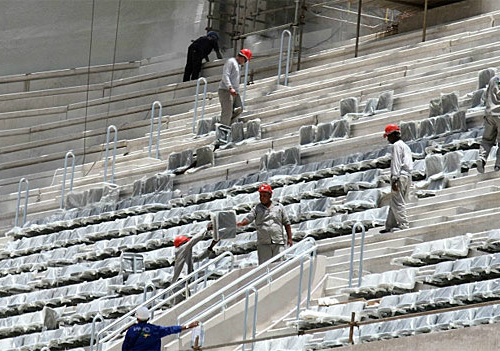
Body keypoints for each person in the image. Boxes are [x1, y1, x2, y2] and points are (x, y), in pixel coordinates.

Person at [237, 183, 293, 264]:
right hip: (264, 244)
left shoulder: (279, 207)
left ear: (270, 195)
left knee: (279, 266)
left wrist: (290, 238)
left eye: (264, 195)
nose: (262, 198)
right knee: (265, 267)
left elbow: (287, 223)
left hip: (278, 242)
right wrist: (241, 223)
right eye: (260, 195)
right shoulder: (256, 209)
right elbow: (249, 218)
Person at [379, 124, 413, 233]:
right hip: (407, 176)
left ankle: (403, 224)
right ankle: (390, 225)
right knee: (395, 201)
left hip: (400, 177)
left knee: (398, 202)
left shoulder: (396, 146)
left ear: (393, 135)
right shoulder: (405, 146)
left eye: (388, 136)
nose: (388, 139)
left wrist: (394, 179)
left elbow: (396, 163)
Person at [216, 48, 252, 144]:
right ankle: (222, 136)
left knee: (239, 108)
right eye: (245, 60)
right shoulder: (231, 62)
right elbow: (225, 75)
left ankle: (227, 126)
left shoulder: (238, 65)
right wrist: (230, 87)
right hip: (226, 90)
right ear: (242, 57)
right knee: (227, 112)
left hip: (234, 92)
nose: (244, 63)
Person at [122, 306, 199, 351]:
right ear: (148, 318)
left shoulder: (131, 331)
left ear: (137, 318)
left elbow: (124, 348)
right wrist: (188, 326)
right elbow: (170, 329)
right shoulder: (154, 330)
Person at [477, 74, 500, 173]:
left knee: (486, 140)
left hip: (489, 114)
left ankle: (481, 158)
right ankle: (498, 165)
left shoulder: (492, 80)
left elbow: (485, 97)